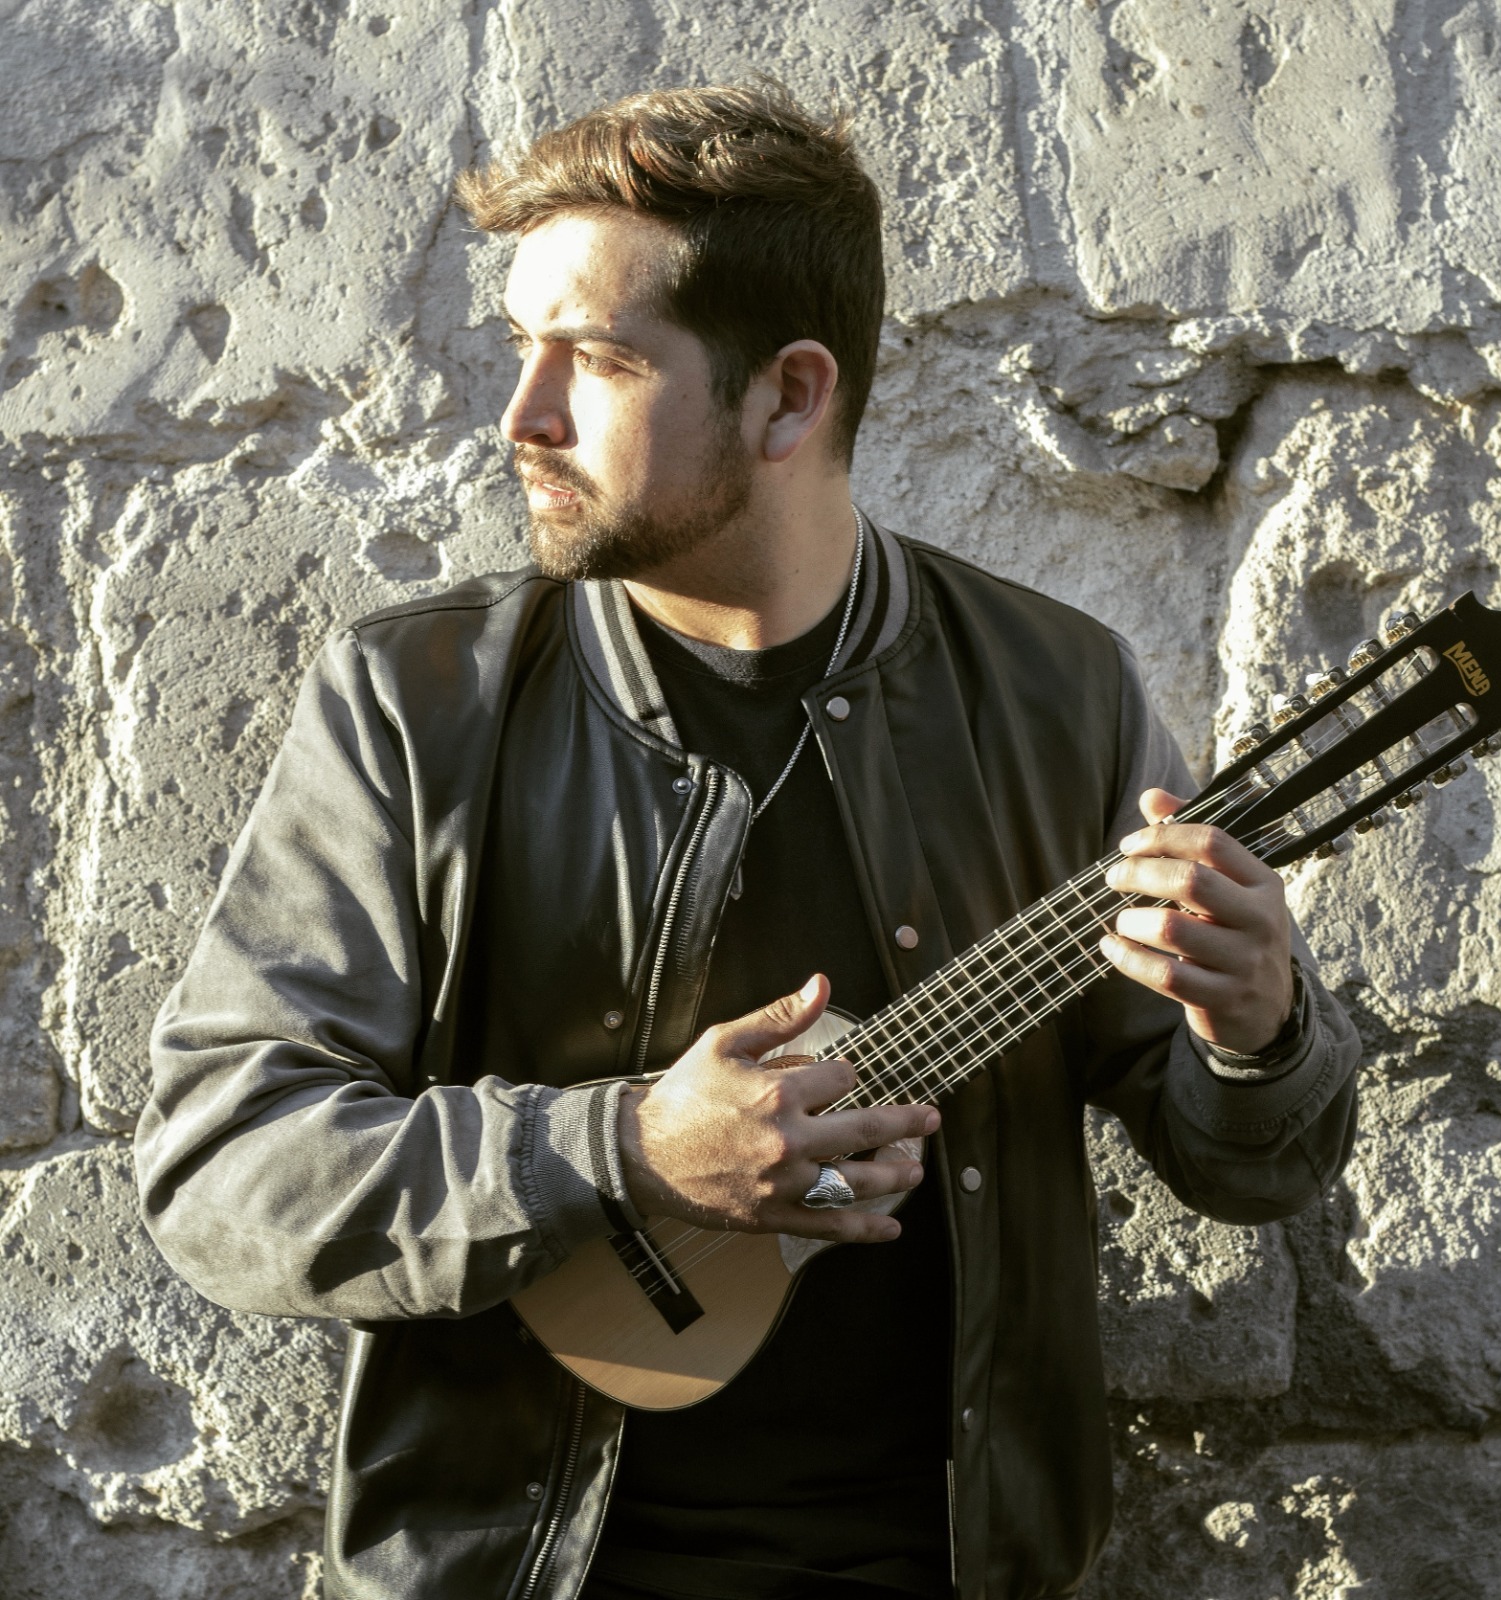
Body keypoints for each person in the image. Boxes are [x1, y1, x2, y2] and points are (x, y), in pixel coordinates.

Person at [134, 81, 1360, 1600]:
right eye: (521, 347)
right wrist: (628, 1152)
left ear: (788, 398)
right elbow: (222, 1170)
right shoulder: (415, 706)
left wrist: (1257, 1034)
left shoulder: (1060, 695)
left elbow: (1253, 1173)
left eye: (595, 359)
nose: (522, 416)